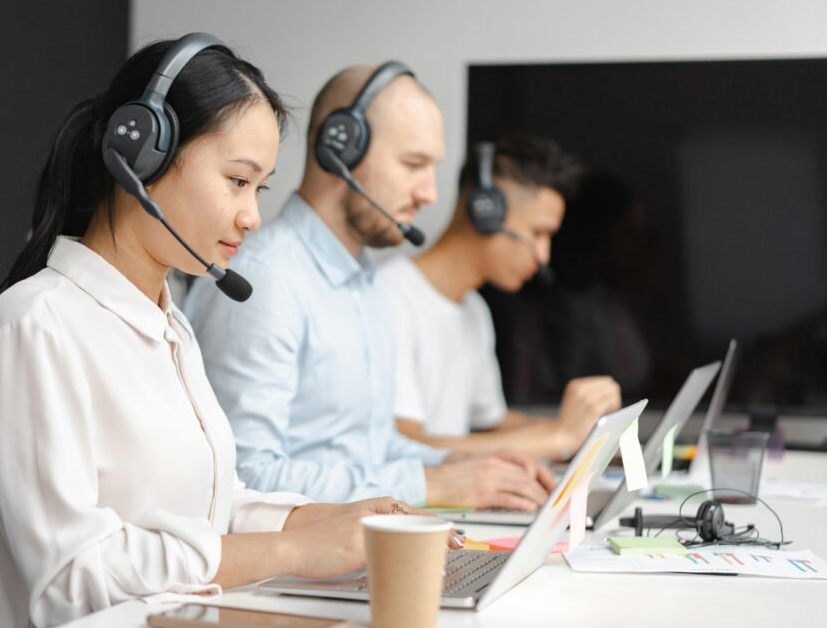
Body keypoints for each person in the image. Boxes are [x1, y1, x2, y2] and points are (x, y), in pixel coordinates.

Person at [0, 36, 441, 628]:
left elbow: (208, 506)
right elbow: (72, 578)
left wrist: (329, 520)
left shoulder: (170, 324)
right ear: (139, 156)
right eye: (237, 180)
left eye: (259, 188)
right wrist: (288, 549)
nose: (253, 215)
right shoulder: (37, 325)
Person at [184, 63, 554, 511]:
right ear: (342, 146)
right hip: (282, 573)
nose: (430, 193)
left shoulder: (364, 282)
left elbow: (371, 450)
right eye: (413, 164)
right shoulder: (267, 281)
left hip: (357, 553)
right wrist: (432, 486)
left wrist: (466, 465)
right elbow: (244, 475)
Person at [377, 135, 622, 460]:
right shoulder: (390, 297)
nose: (543, 256)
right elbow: (407, 447)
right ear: (485, 210)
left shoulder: (474, 310)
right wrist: (557, 438)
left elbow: (493, 423)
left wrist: (583, 431)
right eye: (538, 233)